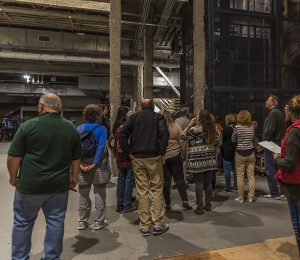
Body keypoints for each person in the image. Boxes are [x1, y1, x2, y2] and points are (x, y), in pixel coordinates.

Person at [7, 93, 81, 259]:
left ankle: (19, 258)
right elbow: (76, 158)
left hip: (30, 186)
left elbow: (13, 157)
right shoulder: (70, 128)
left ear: (41, 107)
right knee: (55, 222)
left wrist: (13, 178)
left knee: (23, 223)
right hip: (58, 187)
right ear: (59, 108)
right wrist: (73, 177)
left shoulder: (28, 126)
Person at [119, 99, 170, 236]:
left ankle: (145, 226)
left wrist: (128, 152)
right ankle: (158, 224)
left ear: (141, 107)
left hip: (137, 158)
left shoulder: (134, 117)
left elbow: (122, 134)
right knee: (157, 189)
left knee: (142, 192)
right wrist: (162, 152)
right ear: (153, 107)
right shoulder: (158, 117)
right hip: (154, 158)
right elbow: (165, 134)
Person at [274, 95, 300, 256]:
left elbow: (290, 163)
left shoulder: (294, 132)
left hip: (295, 184)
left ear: (290, 111)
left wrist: (277, 159)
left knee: (297, 224)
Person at [77, 104, 110, 230]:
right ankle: (99, 222)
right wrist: (94, 164)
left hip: (82, 165)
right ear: (97, 116)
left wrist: (80, 164)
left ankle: (82, 221)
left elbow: (75, 149)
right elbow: (101, 148)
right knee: (99, 194)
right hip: (99, 167)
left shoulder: (79, 129)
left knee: (83, 194)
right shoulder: (102, 129)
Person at [181, 110, 218, 215]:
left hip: (197, 160)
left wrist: (190, 124)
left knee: (199, 183)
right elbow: (216, 143)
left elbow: (182, 136)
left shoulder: (194, 130)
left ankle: (200, 207)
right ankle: (208, 205)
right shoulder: (213, 130)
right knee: (208, 183)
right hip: (209, 159)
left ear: (200, 118)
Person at [161, 109, 192, 211]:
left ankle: (168, 203)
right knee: (179, 179)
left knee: (166, 181)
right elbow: (181, 140)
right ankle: (184, 201)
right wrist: (183, 153)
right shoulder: (175, 126)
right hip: (176, 155)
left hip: (164, 157)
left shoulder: (158, 127)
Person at [113, 106, 137, 213]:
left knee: (120, 180)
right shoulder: (132, 130)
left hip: (119, 157)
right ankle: (127, 205)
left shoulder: (118, 128)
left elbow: (115, 145)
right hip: (129, 158)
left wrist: (116, 155)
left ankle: (120, 205)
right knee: (129, 180)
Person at [263, 95, 285, 199]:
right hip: (277, 142)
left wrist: (266, 139)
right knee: (277, 167)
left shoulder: (273, 113)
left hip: (271, 143)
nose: (266, 101)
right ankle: (280, 191)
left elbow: (270, 130)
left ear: (273, 102)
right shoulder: (279, 113)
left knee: (270, 168)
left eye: (268, 100)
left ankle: (274, 192)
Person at [232, 110, 255, 203]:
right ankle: (251, 197)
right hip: (250, 153)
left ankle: (241, 198)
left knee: (240, 176)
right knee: (251, 176)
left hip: (240, 153)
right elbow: (253, 138)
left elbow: (233, 139)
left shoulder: (237, 127)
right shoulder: (252, 128)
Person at [221, 114, 237, 192]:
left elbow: (221, 140)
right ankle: (236, 186)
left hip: (227, 152)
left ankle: (228, 187)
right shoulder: (237, 128)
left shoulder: (226, 129)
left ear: (227, 120)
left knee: (227, 170)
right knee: (235, 169)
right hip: (236, 151)